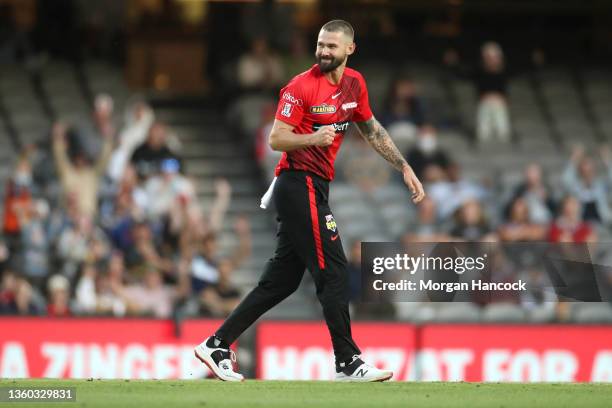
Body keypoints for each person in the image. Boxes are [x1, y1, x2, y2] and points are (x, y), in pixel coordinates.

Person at [194, 20, 425, 382]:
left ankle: (217, 344)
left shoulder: (355, 84)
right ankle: (348, 362)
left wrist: (403, 166)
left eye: (332, 46)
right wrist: (313, 139)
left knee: (281, 281)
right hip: (296, 183)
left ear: (350, 49)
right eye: (320, 45)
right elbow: (276, 138)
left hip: (316, 186)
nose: (324, 51)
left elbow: (372, 129)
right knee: (333, 270)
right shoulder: (300, 86)